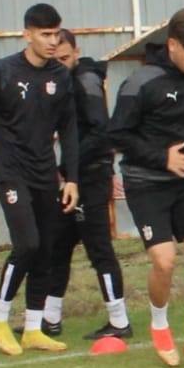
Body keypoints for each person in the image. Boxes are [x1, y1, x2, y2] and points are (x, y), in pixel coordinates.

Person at [109, 7, 184, 368]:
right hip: (145, 184)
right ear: (172, 44)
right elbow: (116, 135)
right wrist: (163, 157)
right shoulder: (140, 82)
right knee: (165, 261)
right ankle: (160, 326)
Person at [0, 3, 80, 356]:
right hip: (10, 172)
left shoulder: (60, 77)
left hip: (45, 174)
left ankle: (33, 328)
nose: (53, 41)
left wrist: (71, 178)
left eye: (56, 34)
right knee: (28, 244)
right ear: (28, 34)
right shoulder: (2, 71)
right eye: (46, 35)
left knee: (47, 249)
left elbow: (69, 131)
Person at [47, 29, 132, 341]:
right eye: (54, 60)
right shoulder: (63, 82)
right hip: (75, 179)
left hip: (89, 178)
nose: (59, 64)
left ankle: (119, 320)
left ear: (76, 52)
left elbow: (99, 132)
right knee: (58, 246)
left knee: (99, 249)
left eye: (65, 58)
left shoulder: (86, 81)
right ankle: (50, 318)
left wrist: (73, 172)